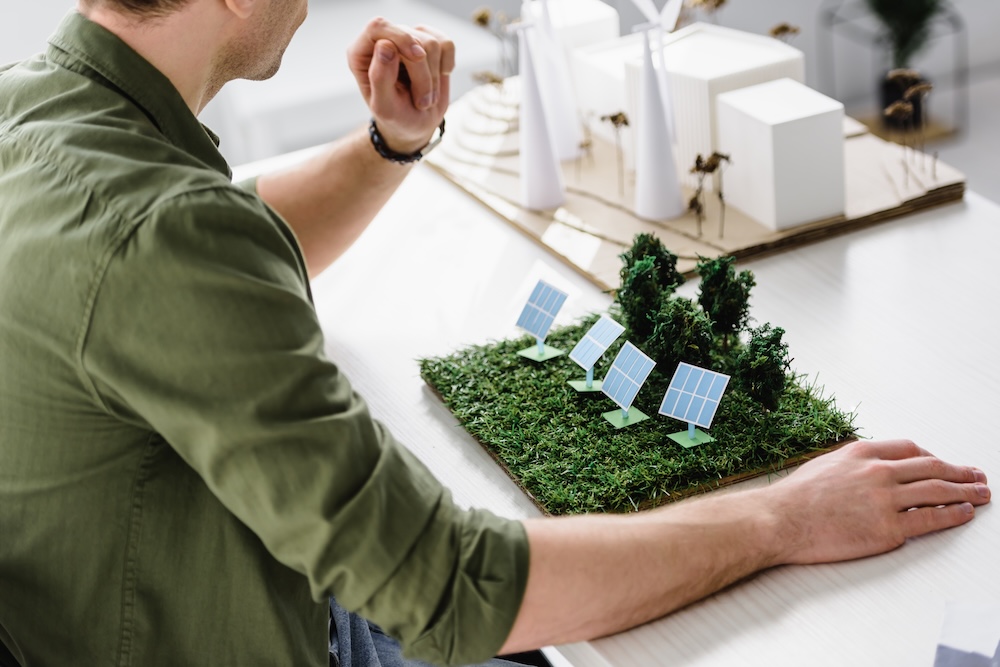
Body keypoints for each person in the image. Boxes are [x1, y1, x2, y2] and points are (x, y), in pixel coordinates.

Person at [0, 1, 990, 666]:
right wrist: (783, 519)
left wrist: (395, 144)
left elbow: (220, 240)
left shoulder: (33, 111)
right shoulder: (162, 239)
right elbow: (451, 587)